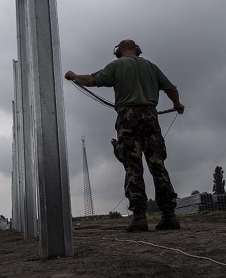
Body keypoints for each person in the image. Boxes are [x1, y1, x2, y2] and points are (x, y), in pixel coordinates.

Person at [64, 39, 185, 232]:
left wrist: (73, 76)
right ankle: (169, 216)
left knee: (133, 166)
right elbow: (172, 89)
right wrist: (177, 105)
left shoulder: (117, 66)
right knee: (157, 164)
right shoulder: (152, 67)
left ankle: (139, 218)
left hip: (128, 119)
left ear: (118, 52)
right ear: (137, 50)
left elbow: (93, 80)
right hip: (151, 118)